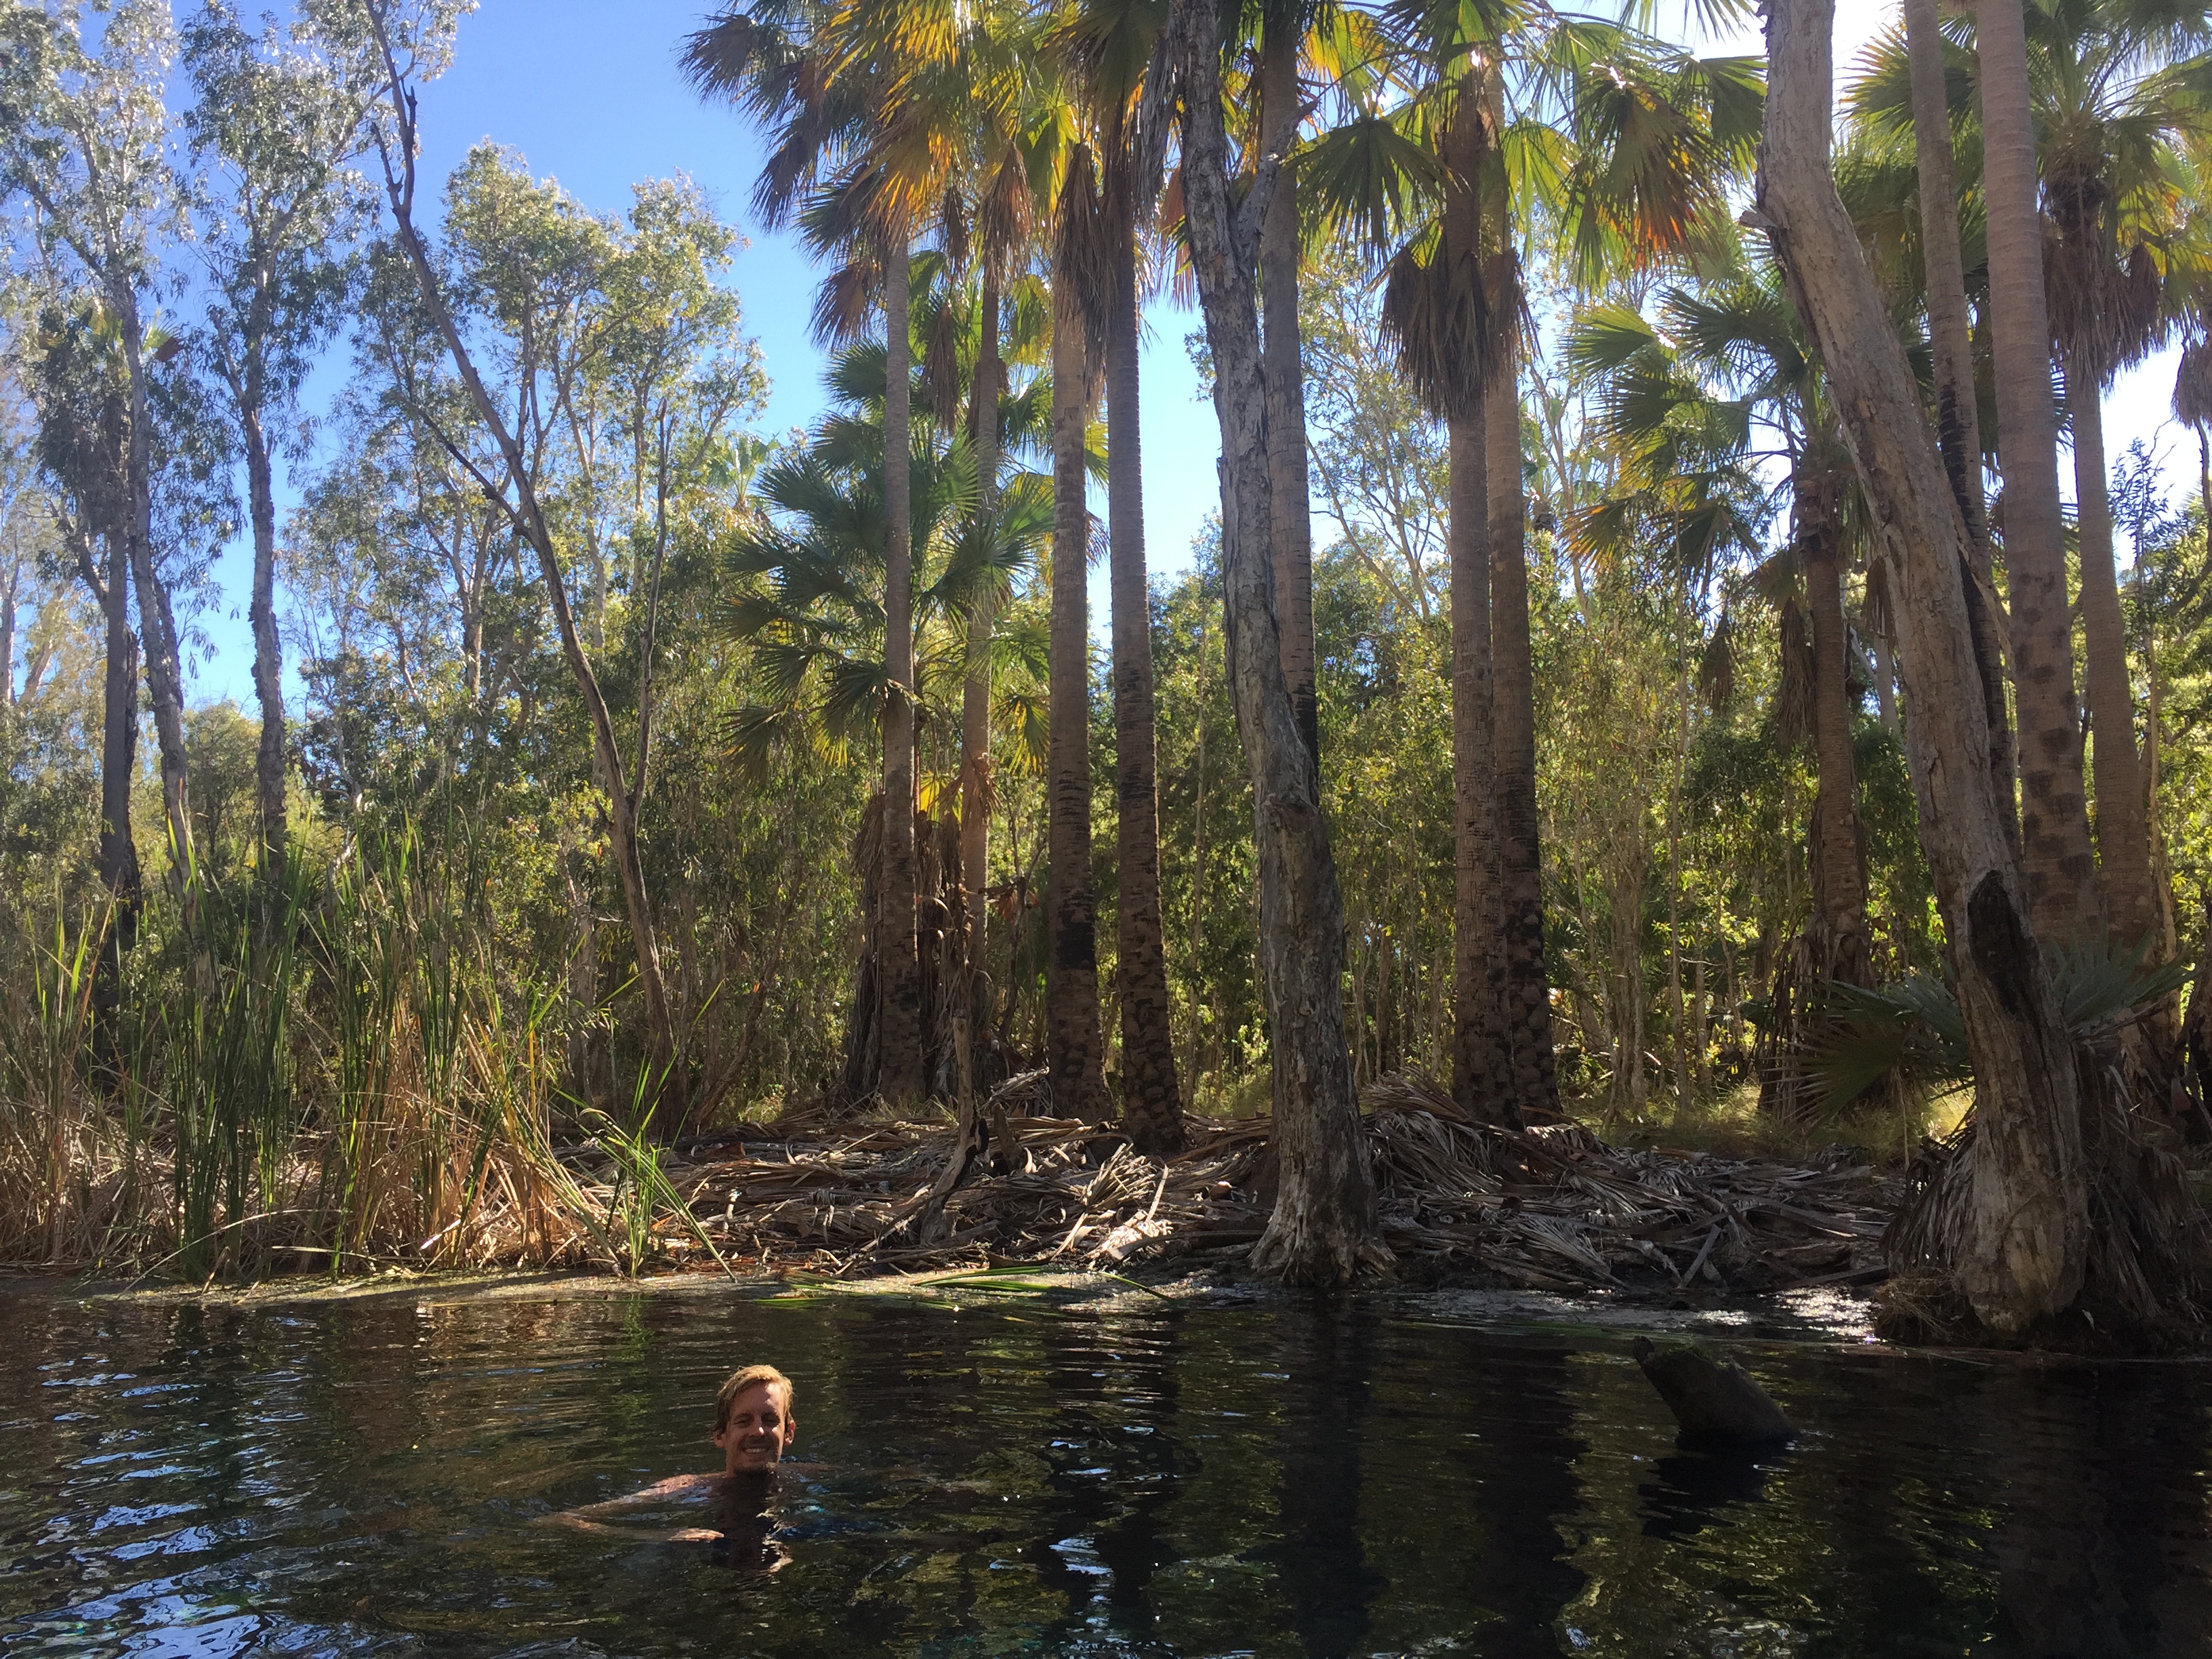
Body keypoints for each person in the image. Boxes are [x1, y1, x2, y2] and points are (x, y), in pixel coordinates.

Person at [547, 1364, 802, 1567]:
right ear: (720, 1435)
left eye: (770, 1420)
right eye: (743, 1421)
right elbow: (562, 1520)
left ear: (788, 1432)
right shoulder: (684, 1489)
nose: (758, 1431)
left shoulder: (807, 1479)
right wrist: (660, 1537)